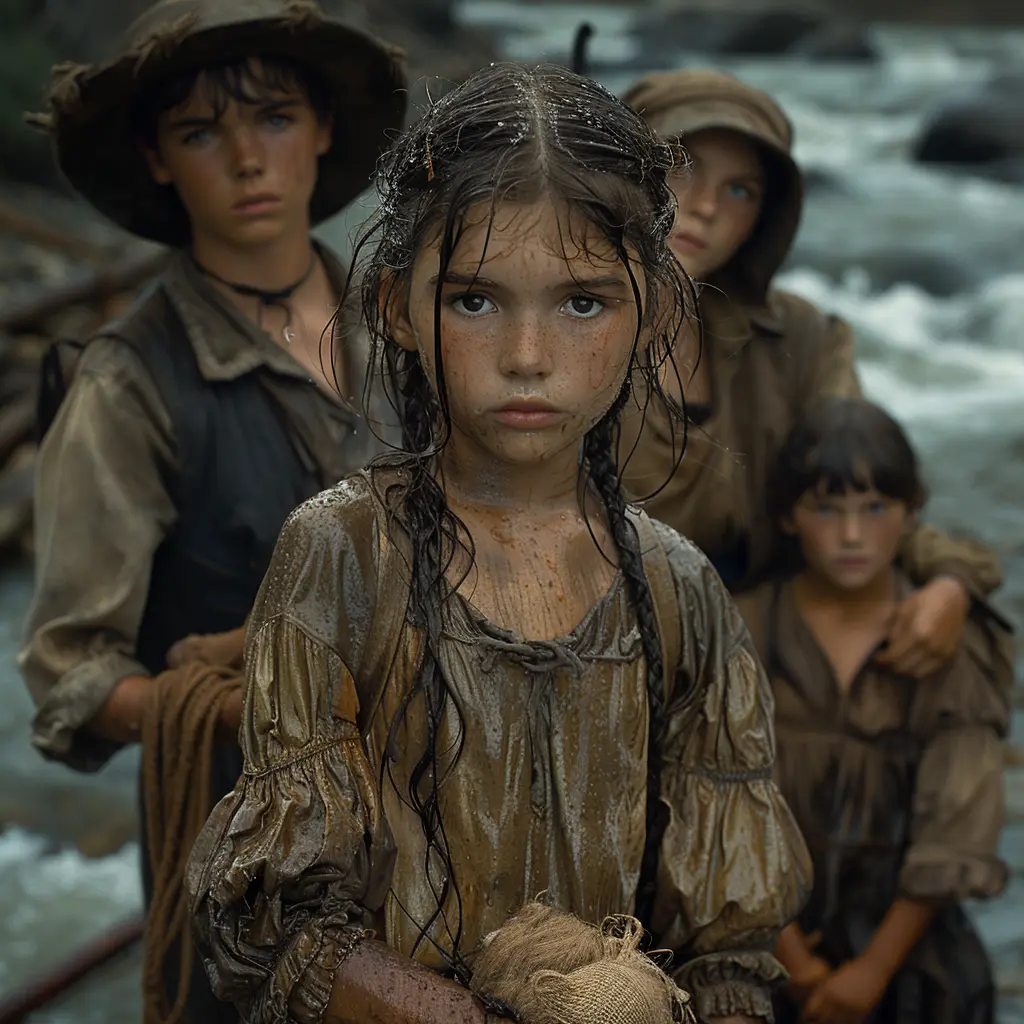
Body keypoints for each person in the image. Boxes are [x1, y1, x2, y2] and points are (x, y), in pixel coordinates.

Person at [186, 63, 812, 1024]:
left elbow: (727, 951)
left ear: (655, 311)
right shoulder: (344, 556)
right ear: (398, 305)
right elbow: (287, 927)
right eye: (476, 300)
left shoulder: (678, 588)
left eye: (583, 302)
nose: (528, 355)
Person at [18, 1, 406, 1021]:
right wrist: (253, 705)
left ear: (322, 127)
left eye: (274, 117)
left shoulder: (407, 326)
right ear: (155, 157)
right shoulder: (127, 382)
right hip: (248, 863)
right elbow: (71, 674)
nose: (247, 159)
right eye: (201, 133)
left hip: (434, 819)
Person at [620, 69, 1004, 681]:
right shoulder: (551, 324)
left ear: (766, 217)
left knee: (966, 642)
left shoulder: (803, 339)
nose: (706, 206)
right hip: (597, 642)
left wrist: (955, 582)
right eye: (681, 162)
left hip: (749, 645)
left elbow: (862, 493)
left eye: (741, 190)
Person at [735, 397, 1010, 1024]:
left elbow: (957, 822)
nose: (852, 535)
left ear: (913, 513)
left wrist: (871, 972)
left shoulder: (944, 643)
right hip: (758, 945)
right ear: (787, 515)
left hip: (910, 958)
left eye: (876, 508)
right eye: (826, 508)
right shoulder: (739, 625)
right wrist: (797, 965)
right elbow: (718, 799)